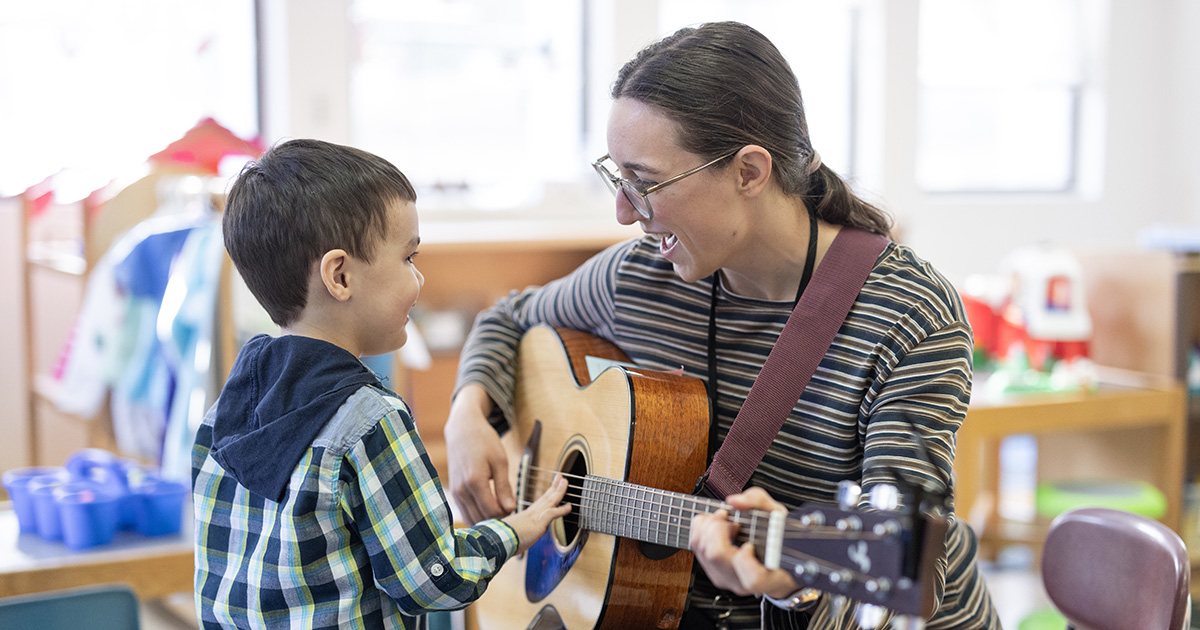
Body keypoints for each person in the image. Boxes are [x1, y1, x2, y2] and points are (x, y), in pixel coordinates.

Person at [443, 22, 1001, 630]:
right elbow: (511, 316)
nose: (624, 211)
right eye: (617, 177)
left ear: (750, 172)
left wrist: (794, 588)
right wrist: (468, 414)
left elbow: (904, 567)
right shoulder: (637, 278)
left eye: (645, 182)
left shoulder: (907, 315)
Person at [192, 138, 571, 630]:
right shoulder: (370, 421)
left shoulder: (228, 403)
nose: (419, 278)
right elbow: (433, 579)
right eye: (409, 258)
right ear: (340, 275)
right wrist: (515, 531)